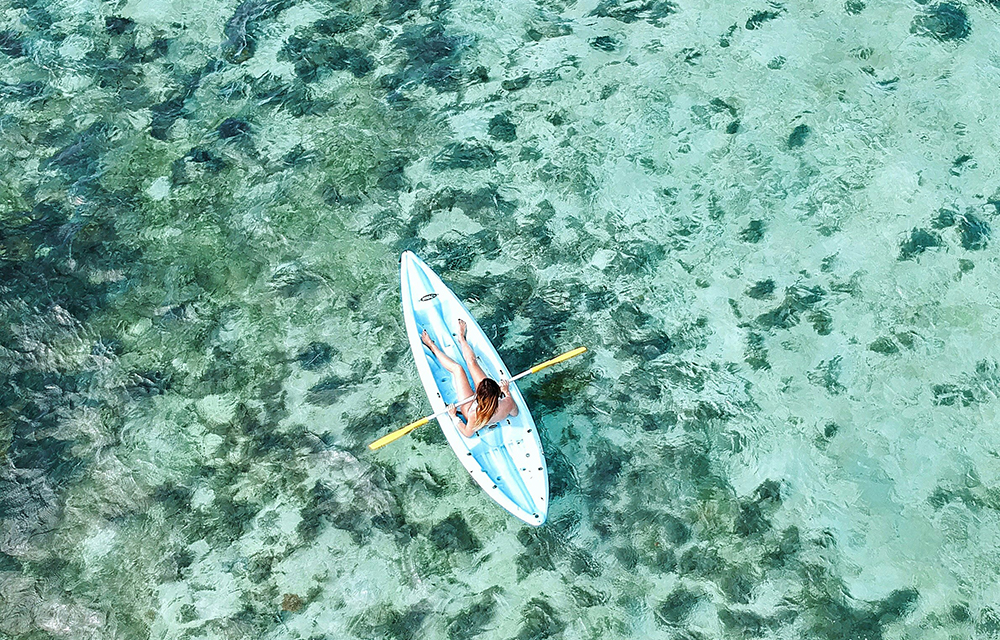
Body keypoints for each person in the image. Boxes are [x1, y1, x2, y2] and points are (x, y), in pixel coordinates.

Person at [420, 319, 518, 437]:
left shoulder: (474, 415)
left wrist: (453, 416)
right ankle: (461, 338)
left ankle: (431, 345)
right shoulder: (507, 403)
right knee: (472, 362)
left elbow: (467, 433)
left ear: (478, 393)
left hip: (471, 408)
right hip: (486, 405)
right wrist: (506, 392)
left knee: (458, 369)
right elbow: (514, 413)